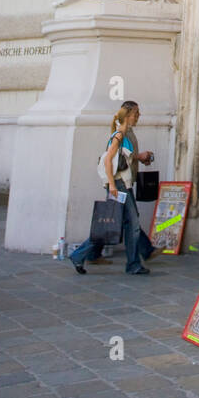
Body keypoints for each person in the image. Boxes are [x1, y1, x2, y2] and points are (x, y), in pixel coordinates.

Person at [70, 101, 159, 276]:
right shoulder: (119, 135)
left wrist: (138, 158)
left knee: (118, 223)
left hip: (122, 185)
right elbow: (107, 160)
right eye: (136, 113)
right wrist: (112, 185)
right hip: (119, 186)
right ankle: (133, 264)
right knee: (129, 224)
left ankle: (80, 255)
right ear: (127, 116)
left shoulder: (125, 134)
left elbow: (123, 159)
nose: (138, 116)